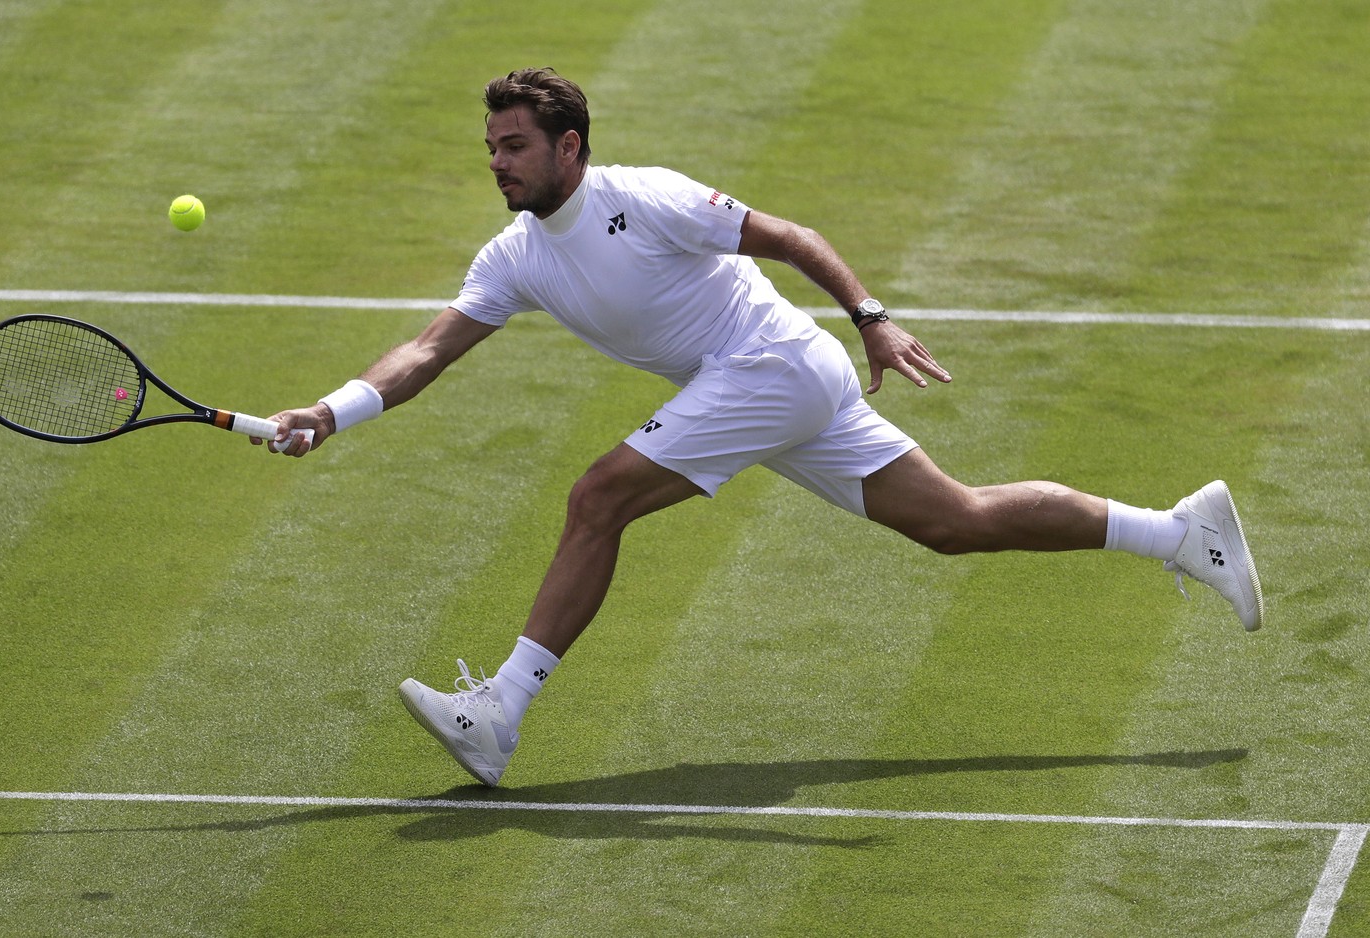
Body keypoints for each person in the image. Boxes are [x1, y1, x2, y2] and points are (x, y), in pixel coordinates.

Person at [257, 67, 1263, 787]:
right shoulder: (514, 255)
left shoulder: (642, 198)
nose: (497, 162)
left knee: (597, 495)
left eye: (513, 145)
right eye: (490, 147)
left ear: (569, 145)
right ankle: (1180, 530)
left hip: (772, 363)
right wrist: (331, 413)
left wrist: (871, 315)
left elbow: (788, 236)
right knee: (954, 520)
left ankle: (500, 711)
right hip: (771, 385)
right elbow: (428, 350)